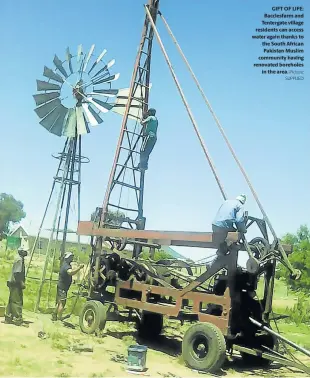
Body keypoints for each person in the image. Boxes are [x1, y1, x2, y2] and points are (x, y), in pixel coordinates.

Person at [52, 251, 84, 321]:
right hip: (62, 287)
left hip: (62, 286)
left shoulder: (65, 264)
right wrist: (79, 268)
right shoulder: (66, 266)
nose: (72, 258)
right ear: (67, 258)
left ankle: (54, 314)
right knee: (62, 303)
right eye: (70, 257)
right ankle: (59, 318)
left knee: (60, 301)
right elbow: (70, 272)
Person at [5, 247, 27, 326]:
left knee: (11, 300)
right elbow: (17, 273)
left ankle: (8, 317)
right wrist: (21, 283)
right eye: (25, 251)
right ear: (21, 252)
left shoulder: (18, 258)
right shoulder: (20, 260)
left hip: (12, 282)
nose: (26, 253)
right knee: (17, 301)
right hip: (15, 283)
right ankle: (17, 319)